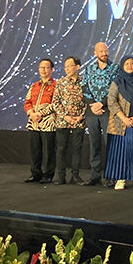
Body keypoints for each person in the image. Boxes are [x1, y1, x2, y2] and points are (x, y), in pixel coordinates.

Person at [104, 56, 133, 190]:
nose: (130, 66)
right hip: (120, 124)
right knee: (119, 152)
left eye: (132, 63)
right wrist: (124, 118)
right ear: (122, 66)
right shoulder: (117, 82)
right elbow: (111, 101)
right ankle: (120, 179)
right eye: (127, 64)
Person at [81, 42, 119, 186]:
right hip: (92, 111)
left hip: (108, 110)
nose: (104, 53)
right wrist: (93, 104)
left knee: (109, 143)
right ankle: (95, 176)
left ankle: (110, 177)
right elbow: (84, 87)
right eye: (101, 51)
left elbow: (115, 88)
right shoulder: (89, 69)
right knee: (94, 144)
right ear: (95, 53)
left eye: (106, 50)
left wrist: (101, 103)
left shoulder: (115, 68)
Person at [51, 56, 85, 185]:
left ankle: (75, 176)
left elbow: (88, 101)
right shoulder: (60, 82)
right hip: (63, 121)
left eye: (70, 66)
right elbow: (55, 102)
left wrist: (81, 116)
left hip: (79, 121)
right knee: (61, 149)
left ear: (77, 67)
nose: (67, 69)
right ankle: (61, 176)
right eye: (66, 66)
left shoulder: (84, 82)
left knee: (77, 149)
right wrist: (65, 116)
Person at [23, 59, 57, 183]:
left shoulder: (56, 86)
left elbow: (55, 104)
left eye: (47, 67)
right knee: (35, 149)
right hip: (34, 122)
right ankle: (35, 173)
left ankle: (48, 175)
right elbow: (27, 102)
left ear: (52, 70)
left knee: (48, 150)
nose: (43, 70)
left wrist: (41, 114)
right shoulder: (34, 86)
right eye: (41, 67)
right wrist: (31, 113)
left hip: (48, 122)